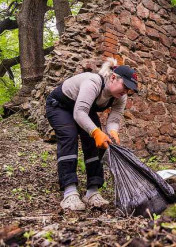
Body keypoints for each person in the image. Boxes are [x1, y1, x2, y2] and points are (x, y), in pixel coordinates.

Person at [46, 59, 138, 211]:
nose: (126, 91)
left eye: (130, 89)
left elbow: (114, 119)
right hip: (60, 106)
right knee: (69, 136)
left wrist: (112, 132)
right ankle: (70, 191)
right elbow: (79, 112)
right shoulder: (93, 82)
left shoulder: (121, 97)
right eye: (125, 86)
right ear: (113, 77)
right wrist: (96, 132)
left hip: (84, 110)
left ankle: (92, 191)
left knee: (97, 143)